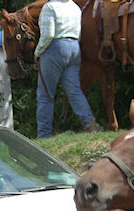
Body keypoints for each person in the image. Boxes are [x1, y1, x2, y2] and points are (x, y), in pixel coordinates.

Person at [33, 0, 101, 138]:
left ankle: (44, 135)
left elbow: (48, 35)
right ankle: (90, 124)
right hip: (74, 48)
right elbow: (79, 33)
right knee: (75, 91)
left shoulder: (49, 7)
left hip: (55, 49)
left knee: (45, 95)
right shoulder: (75, 7)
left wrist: (37, 52)